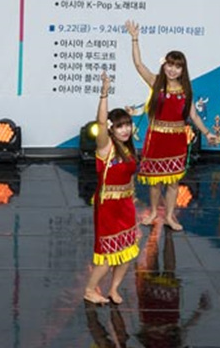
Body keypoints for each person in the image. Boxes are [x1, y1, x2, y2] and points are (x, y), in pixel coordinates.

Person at [125, 20, 217, 230]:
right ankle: (153, 214)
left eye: (177, 66)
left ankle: (169, 216)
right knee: (155, 181)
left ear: (182, 69)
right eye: (170, 65)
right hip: (156, 139)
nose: (172, 70)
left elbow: (193, 114)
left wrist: (208, 133)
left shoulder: (186, 89)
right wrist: (135, 39)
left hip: (176, 141)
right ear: (164, 65)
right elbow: (138, 65)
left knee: (173, 182)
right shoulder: (156, 82)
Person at [83, 71, 140, 306]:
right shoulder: (106, 147)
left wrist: (133, 196)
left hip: (125, 205)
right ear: (111, 129)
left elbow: (129, 175)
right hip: (108, 207)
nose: (125, 130)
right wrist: (104, 93)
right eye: (119, 126)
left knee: (127, 251)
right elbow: (100, 123)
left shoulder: (128, 149)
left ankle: (114, 289)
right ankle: (89, 290)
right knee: (107, 255)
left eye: (127, 125)